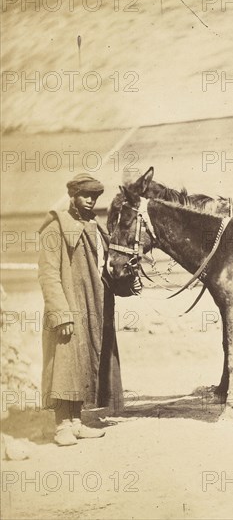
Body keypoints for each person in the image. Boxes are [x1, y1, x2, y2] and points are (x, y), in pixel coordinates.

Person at [38, 173, 123, 446]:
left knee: (82, 363)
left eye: (95, 196)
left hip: (92, 307)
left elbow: (104, 268)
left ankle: (76, 421)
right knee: (64, 363)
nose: (90, 200)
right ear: (72, 195)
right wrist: (61, 313)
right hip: (68, 305)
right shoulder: (55, 227)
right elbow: (48, 274)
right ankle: (61, 426)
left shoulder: (95, 228)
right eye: (85, 194)